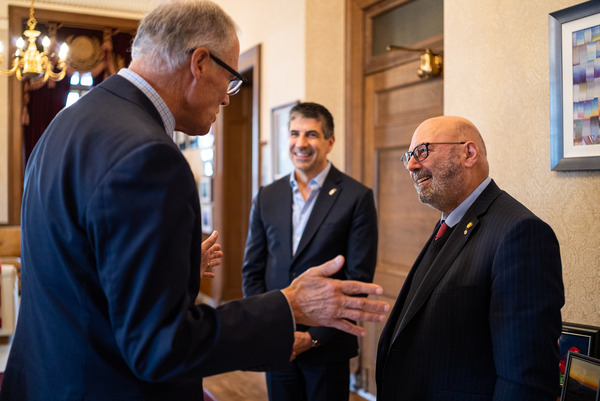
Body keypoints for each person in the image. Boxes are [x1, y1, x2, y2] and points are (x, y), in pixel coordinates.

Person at [0, 1, 390, 400]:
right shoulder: (148, 156)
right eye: (231, 79)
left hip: (48, 377)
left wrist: (175, 265)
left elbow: (80, 265)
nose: (226, 98)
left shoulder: (68, 122)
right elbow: (159, 346)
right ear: (200, 62)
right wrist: (288, 305)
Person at [376, 116, 565, 401]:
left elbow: (525, 379)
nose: (412, 165)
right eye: (409, 156)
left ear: (468, 153)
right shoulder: (451, 223)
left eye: (422, 151)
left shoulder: (520, 233)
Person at [242, 102, 378, 401]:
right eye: (294, 133)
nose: (301, 143)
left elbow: (358, 279)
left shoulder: (357, 197)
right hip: (277, 343)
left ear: (329, 142)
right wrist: (268, 328)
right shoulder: (267, 196)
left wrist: (313, 338)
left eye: (312, 134)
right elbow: (253, 270)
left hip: (326, 347)